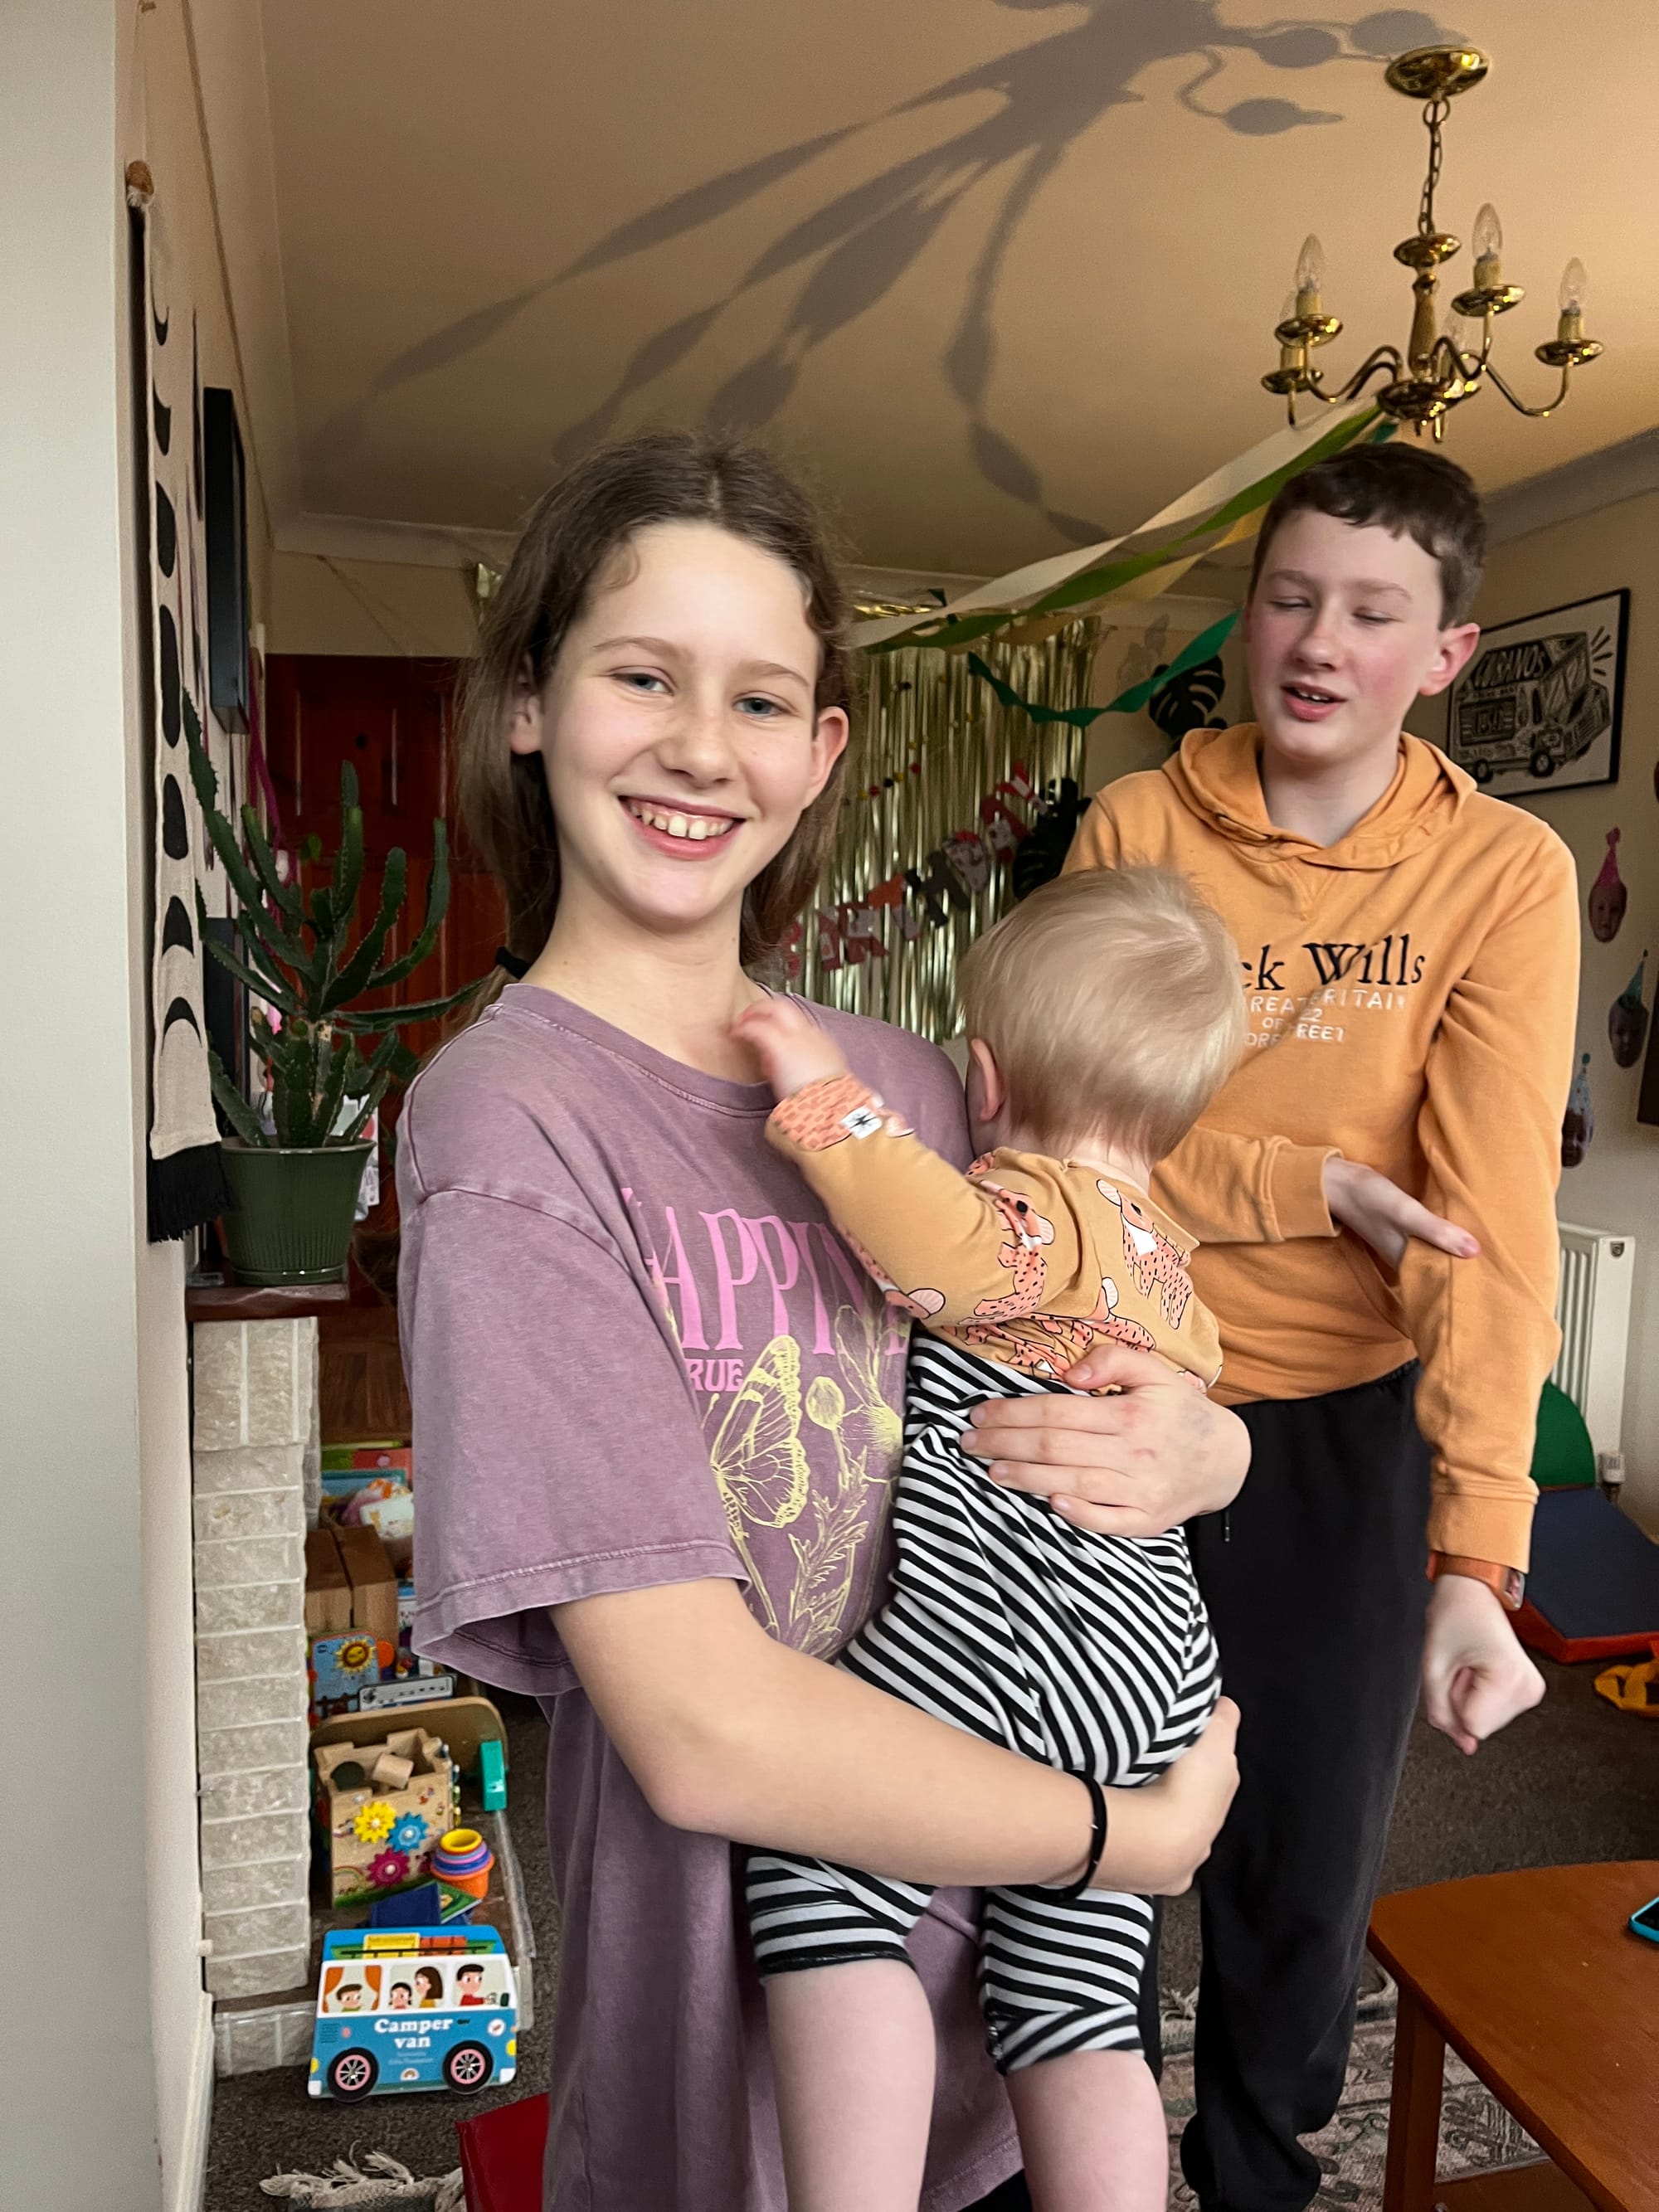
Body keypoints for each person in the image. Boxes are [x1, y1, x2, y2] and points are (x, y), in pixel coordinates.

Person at [401, 429, 1249, 2212]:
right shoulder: (508, 1126)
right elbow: (701, 1727)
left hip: (1003, 2035)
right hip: (741, 2075)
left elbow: (1104, 1296)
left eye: (762, 698)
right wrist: (1131, 1833)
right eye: (643, 675)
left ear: (822, 751)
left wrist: (1206, 1443)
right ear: (529, 700)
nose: (704, 747)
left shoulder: (908, 1087)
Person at [1063, 440, 1579, 2212]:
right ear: (1249, 610)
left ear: (1446, 651)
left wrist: (1478, 1552)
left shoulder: (1502, 873)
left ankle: (1254, 2178)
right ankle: (1071, 2162)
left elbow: (1487, 1220)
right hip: (1128, 1377)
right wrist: (1317, 1182)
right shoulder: (1137, 828)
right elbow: (1071, 1135)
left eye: (1371, 613)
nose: (1319, 643)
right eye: (1290, 598)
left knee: (1301, 1860)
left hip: (1354, 1420)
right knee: (1090, 1833)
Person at [735, 866, 1244, 2212]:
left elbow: (925, 1238)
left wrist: (820, 1090)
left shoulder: (1031, 1215)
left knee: (818, 1864)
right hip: (1154, 1664)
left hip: (1011, 1626)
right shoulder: (1171, 1266)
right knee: (1078, 1993)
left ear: (985, 1078)